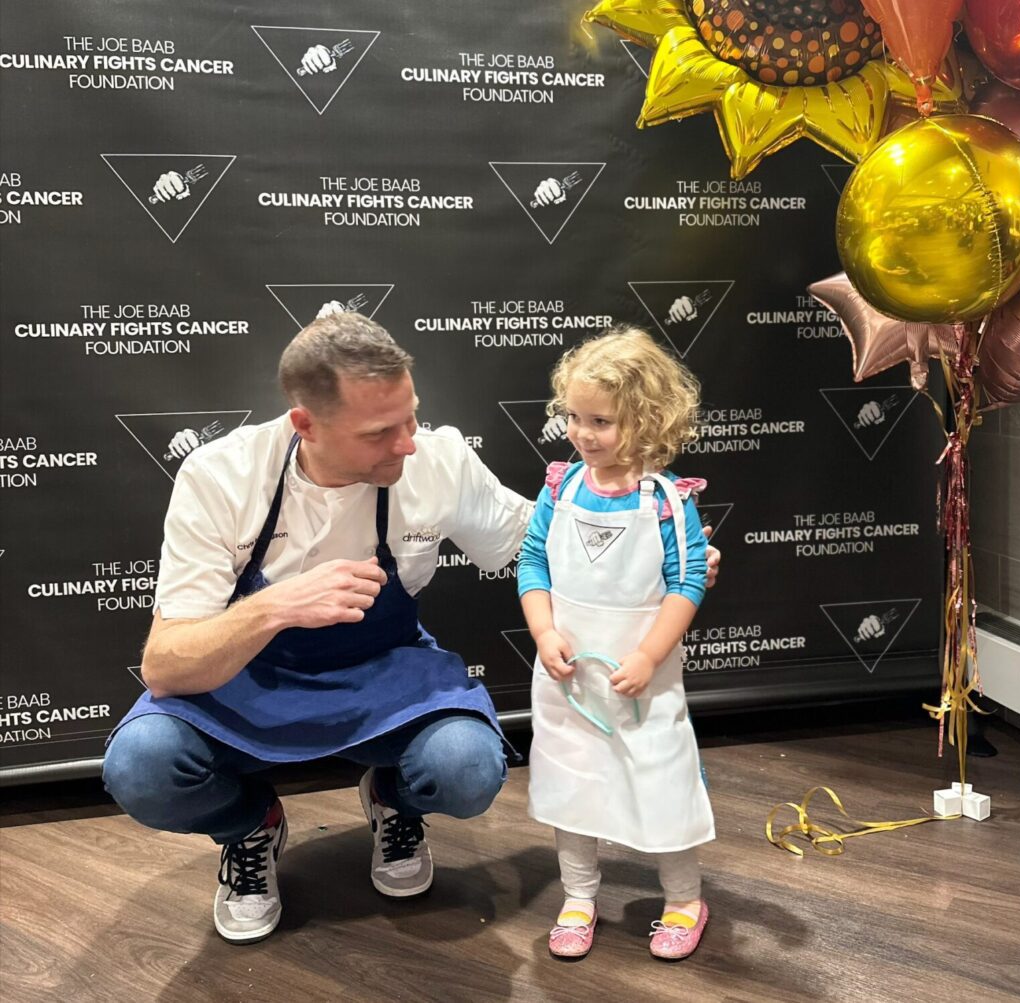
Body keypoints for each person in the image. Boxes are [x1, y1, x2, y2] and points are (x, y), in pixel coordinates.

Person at [102, 312, 721, 946]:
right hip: (253, 677)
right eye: (379, 432)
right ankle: (249, 826)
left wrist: (659, 555)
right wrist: (276, 607)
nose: (407, 444)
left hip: (384, 669)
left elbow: (546, 540)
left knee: (466, 767)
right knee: (144, 768)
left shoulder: (436, 458)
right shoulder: (221, 476)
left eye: (411, 418)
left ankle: (396, 798)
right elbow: (167, 666)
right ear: (306, 425)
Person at [518, 326, 715, 962]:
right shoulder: (560, 490)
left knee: (661, 784)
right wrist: (545, 632)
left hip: (643, 680)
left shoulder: (666, 501)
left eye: (599, 420)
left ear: (648, 420)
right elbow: (532, 565)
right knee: (571, 788)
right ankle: (579, 896)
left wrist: (649, 655)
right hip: (568, 678)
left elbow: (686, 583)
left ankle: (684, 899)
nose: (581, 432)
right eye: (573, 416)